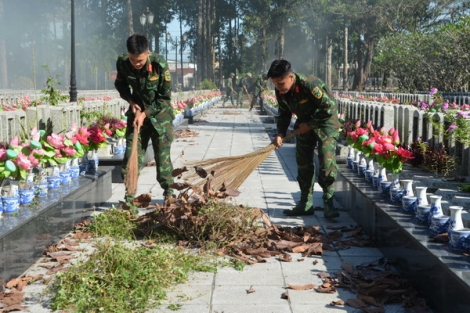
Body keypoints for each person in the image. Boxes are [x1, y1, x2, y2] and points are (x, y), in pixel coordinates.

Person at [267, 59, 342, 218]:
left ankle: (328, 202)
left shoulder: (310, 85)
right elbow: (284, 112)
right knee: (303, 161)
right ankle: (305, 203)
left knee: (325, 159)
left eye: (281, 83)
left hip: (325, 123)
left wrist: (310, 124)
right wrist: (280, 133)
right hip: (304, 123)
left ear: (291, 77)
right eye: (275, 84)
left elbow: (329, 108)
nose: (278, 87)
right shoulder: (281, 91)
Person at [114, 34, 174, 201]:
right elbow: (120, 84)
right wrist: (131, 101)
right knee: (131, 156)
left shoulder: (159, 65)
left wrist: (145, 114)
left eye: (140, 61)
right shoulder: (123, 62)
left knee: (163, 160)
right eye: (133, 60)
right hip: (136, 117)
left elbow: (164, 98)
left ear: (148, 53)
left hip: (160, 119)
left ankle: (169, 194)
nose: (136, 64)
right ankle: (129, 198)